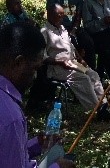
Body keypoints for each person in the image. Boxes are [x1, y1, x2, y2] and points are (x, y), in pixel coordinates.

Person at [0, 22, 75, 168]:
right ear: (18, 63)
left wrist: (36, 145)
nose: (35, 77)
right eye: (34, 69)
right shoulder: (11, 118)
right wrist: (57, 167)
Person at [41, 4, 108, 117]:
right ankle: (96, 109)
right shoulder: (45, 31)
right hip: (57, 68)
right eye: (59, 16)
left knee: (93, 74)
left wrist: (81, 59)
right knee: (84, 79)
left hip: (72, 63)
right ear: (50, 15)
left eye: (63, 16)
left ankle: (104, 103)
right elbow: (42, 57)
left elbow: (71, 46)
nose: (62, 19)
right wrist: (59, 62)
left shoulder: (62, 28)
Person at [46, 0, 95, 69]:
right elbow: (50, 16)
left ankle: (91, 70)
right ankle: (74, 69)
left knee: (88, 42)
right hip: (58, 28)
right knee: (70, 44)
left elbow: (78, 15)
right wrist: (61, 30)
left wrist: (74, 29)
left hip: (74, 27)